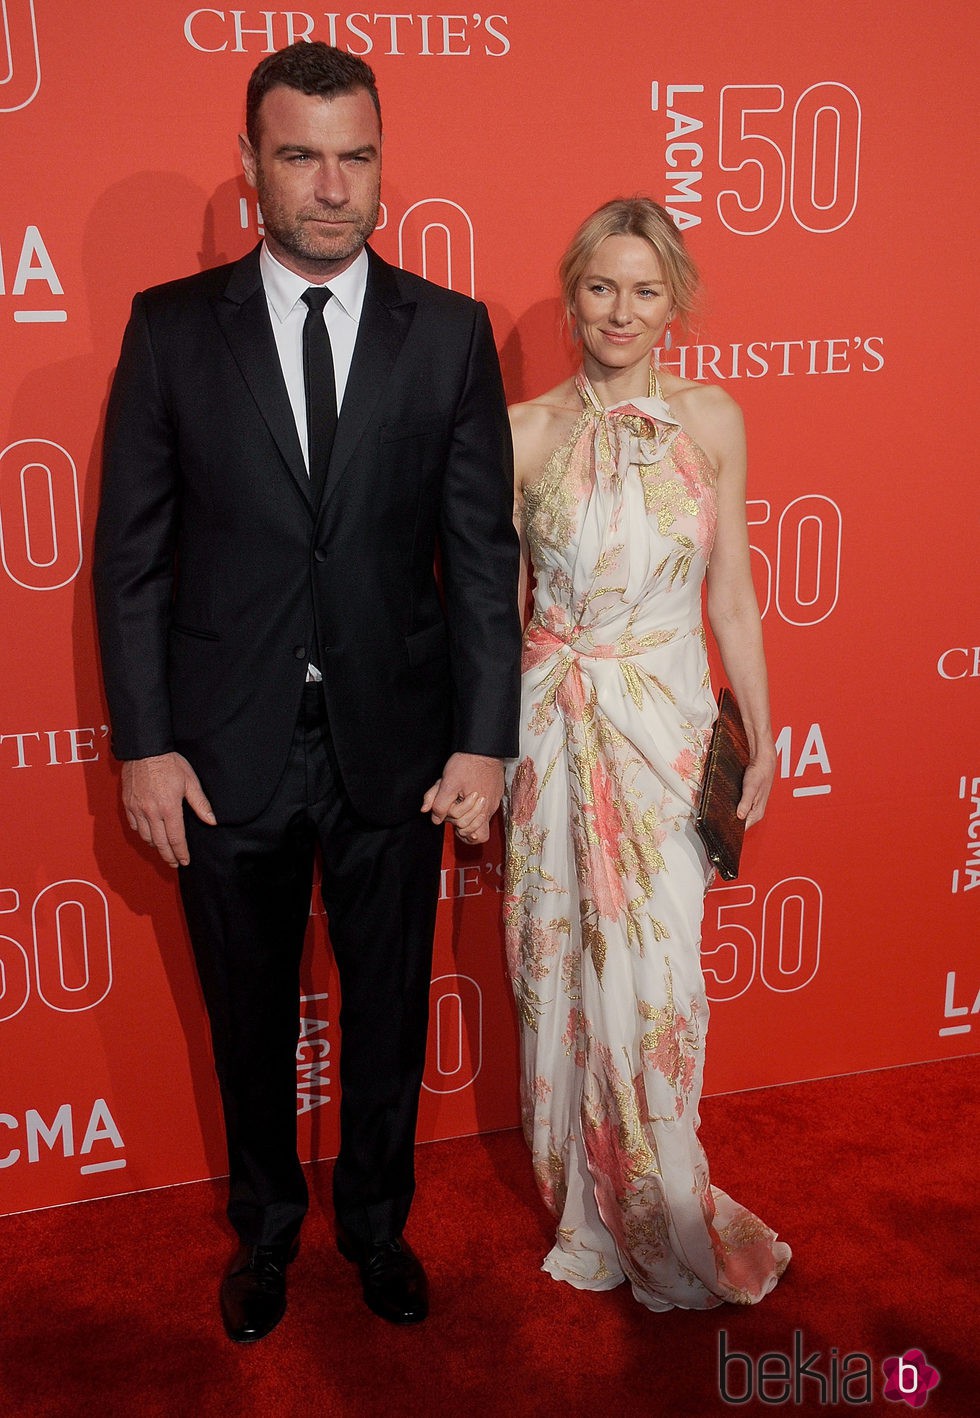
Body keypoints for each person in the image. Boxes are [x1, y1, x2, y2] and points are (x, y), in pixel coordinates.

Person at [94, 42, 520, 1341]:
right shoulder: (172, 329)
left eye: (357, 155)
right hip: (226, 747)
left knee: (389, 1008)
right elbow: (130, 556)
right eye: (300, 155)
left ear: (382, 161)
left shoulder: (447, 333)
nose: (333, 186)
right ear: (251, 167)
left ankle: (378, 1227)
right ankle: (268, 1230)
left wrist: (487, 739)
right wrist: (146, 745)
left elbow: (484, 555)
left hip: (396, 742)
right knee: (247, 1012)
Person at [504, 198, 790, 1311]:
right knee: (557, 972)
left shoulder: (712, 420)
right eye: (598, 287)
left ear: (676, 301)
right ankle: (588, 1201)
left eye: (643, 290)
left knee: (662, 980)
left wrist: (757, 732)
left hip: (664, 737)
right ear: (571, 292)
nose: (618, 312)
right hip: (551, 729)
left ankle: (664, 1199)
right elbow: (496, 606)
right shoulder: (523, 429)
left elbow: (733, 594)